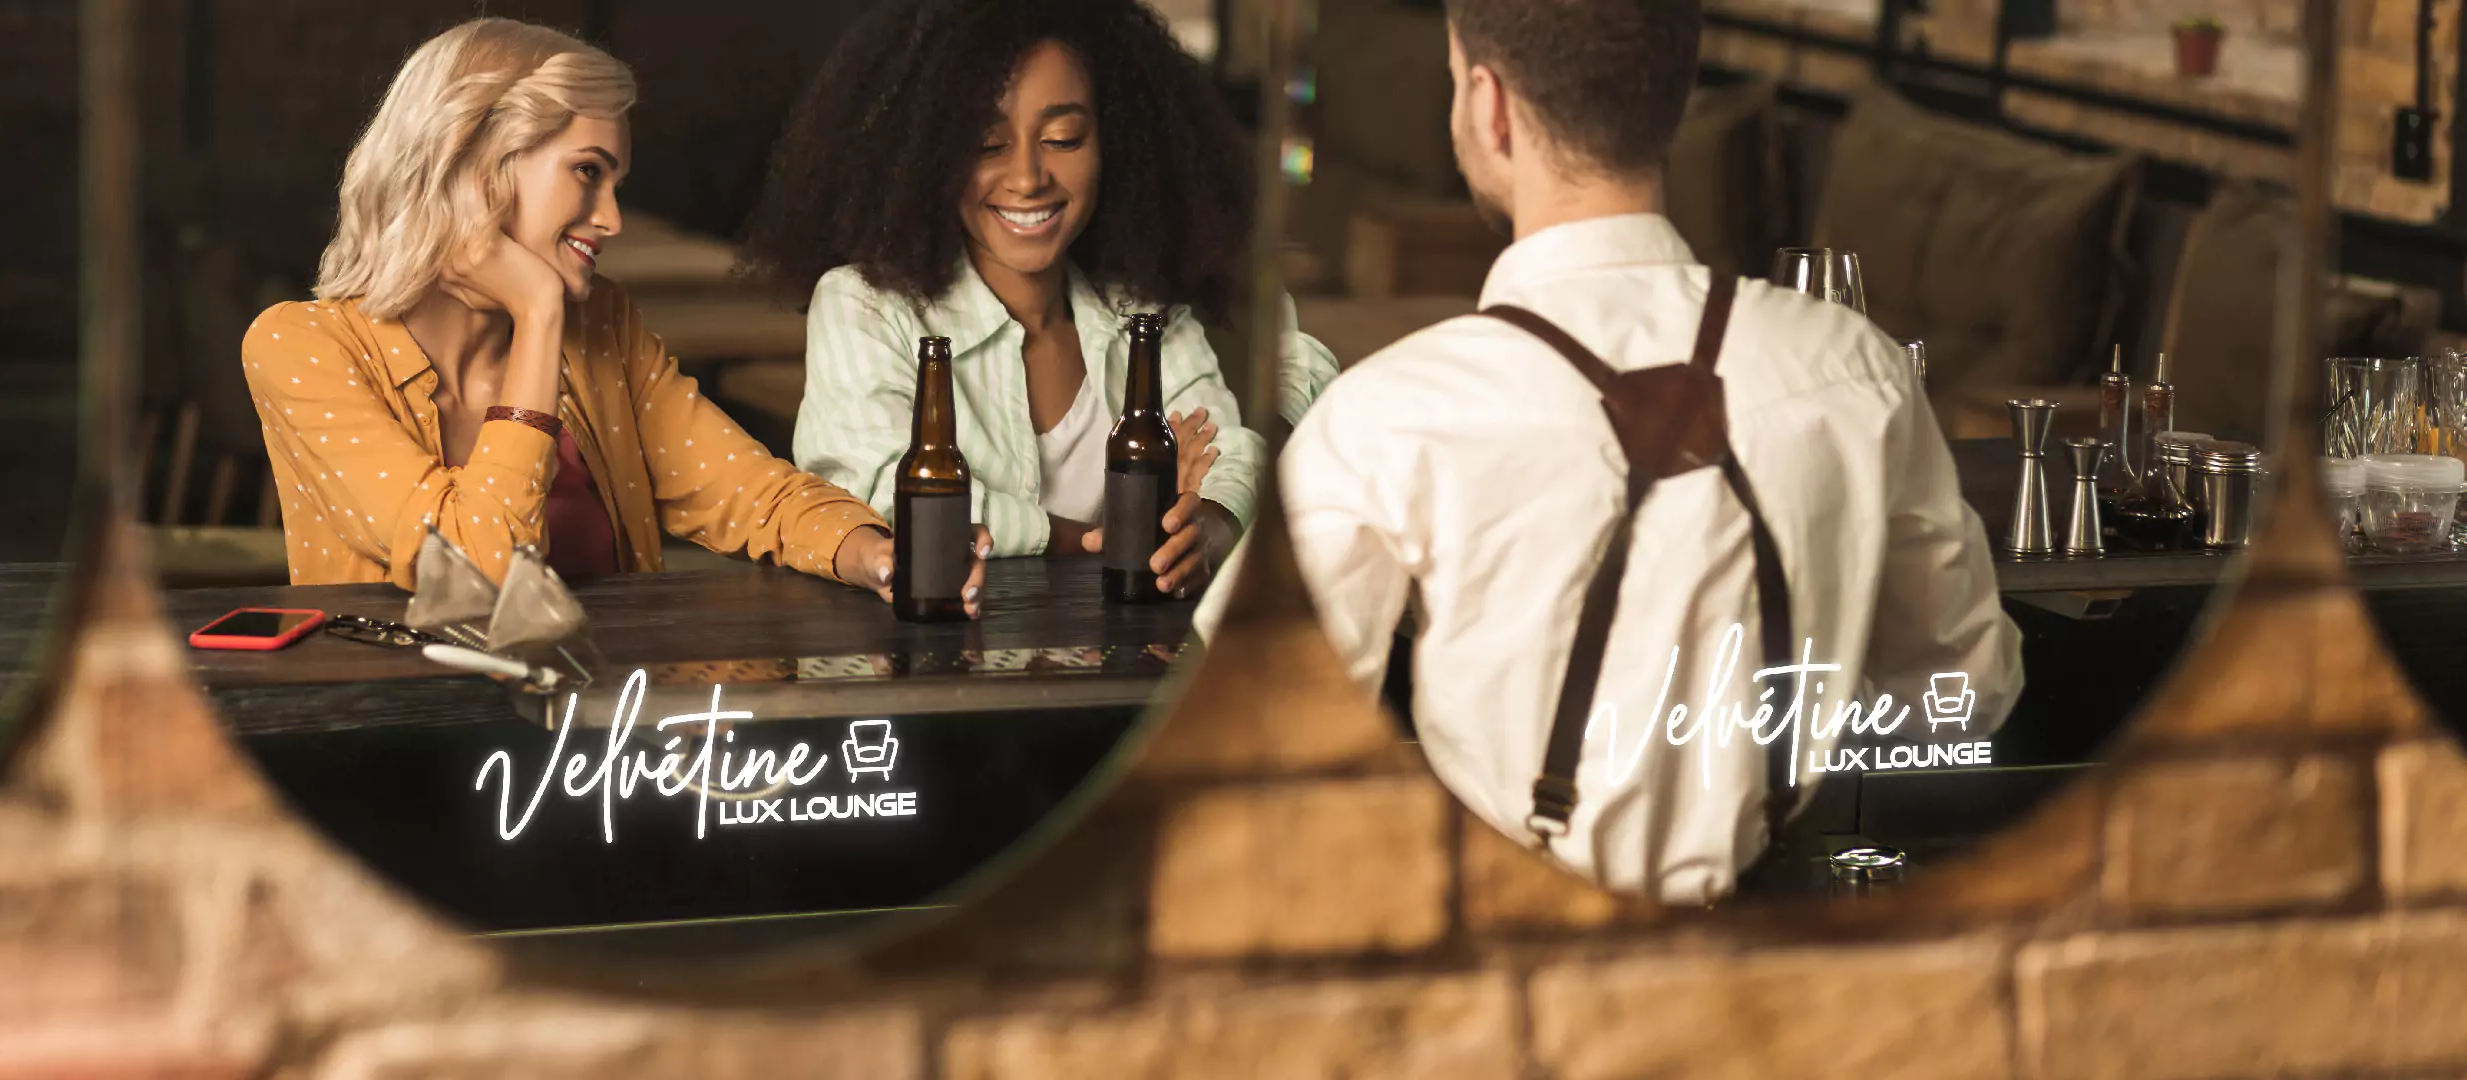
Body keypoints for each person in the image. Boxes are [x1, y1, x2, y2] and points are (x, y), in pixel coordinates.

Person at [1205, 0, 2023, 903]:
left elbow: (1245, 732)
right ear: (1668, 102)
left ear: (1489, 105)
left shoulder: (1387, 419)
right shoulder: (1855, 371)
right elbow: (1966, 687)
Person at [243, 18, 986, 616]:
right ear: (475, 167)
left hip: (606, 733)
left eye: (616, 182)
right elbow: (478, 566)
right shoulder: (301, 346)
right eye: (588, 173)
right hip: (406, 742)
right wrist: (536, 314)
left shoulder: (603, 327)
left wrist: (879, 555)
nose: (613, 218)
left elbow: (755, 496)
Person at [739, 0, 1338, 597]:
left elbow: (1226, 455)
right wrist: (1095, 537)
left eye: (1062, 138)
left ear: (1116, 141)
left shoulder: (1143, 309)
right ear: (926, 155)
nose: (1028, 178)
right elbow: (883, 498)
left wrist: (1207, 524)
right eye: (988, 145)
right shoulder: (864, 307)